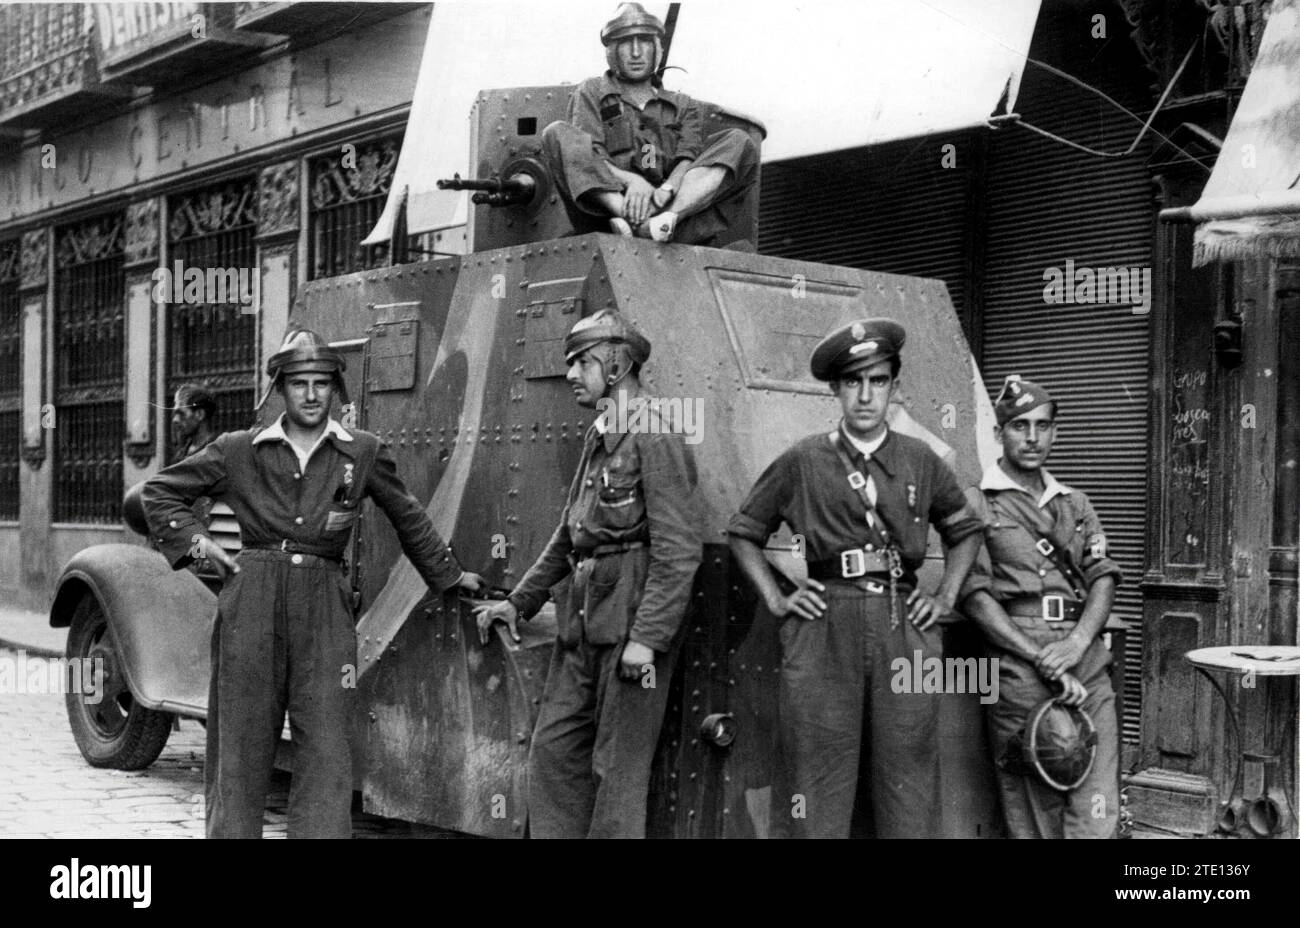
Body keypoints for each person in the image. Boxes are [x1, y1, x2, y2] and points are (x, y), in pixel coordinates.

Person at [142, 328, 485, 838]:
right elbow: (159, 492)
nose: (310, 394)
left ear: (335, 390)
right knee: (240, 744)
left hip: (325, 604)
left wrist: (450, 576)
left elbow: (408, 516)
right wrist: (199, 545)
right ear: (280, 388)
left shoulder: (363, 452)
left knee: (326, 746)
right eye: (299, 382)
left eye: (321, 383)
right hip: (251, 598)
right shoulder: (238, 449)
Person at [726, 318, 983, 838]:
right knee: (813, 771)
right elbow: (743, 532)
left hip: (902, 623)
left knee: (907, 770)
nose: (866, 395)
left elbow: (967, 532)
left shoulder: (920, 459)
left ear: (894, 386)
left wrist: (946, 596)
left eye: (879, 380)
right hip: (825, 622)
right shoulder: (803, 459)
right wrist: (777, 600)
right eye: (853, 382)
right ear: (836, 389)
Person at [474, 310, 701, 838]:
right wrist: (520, 601)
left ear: (617, 364)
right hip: (582, 628)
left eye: (581, 361)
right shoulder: (601, 434)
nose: (571, 373)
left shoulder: (654, 432)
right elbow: (570, 531)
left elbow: (679, 549)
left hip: (629, 629)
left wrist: (647, 639)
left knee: (616, 772)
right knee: (554, 757)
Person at [959, 376, 1121, 838]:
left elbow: (1103, 577)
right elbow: (975, 596)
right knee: (1033, 807)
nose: (1032, 438)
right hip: (1019, 666)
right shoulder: (975, 503)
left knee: (1097, 805)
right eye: (1019, 426)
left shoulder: (1076, 503)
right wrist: (1040, 658)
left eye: (1042, 426)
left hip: (1084, 659)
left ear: (1055, 433)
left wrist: (1075, 644)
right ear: (999, 433)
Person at [540, 3, 759, 244]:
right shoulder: (591, 92)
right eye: (625, 42)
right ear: (613, 51)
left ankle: (658, 222)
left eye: (644, 41)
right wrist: (632, 180)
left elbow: (688, 156)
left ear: (656, 49)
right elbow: (590, 156)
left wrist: (666, 192)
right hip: (607, 219)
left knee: (740, 142)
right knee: (557, 133)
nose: (636, 52)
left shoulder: (684, 105)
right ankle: (629, 215)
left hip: (671, 217)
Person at [171, 383, 219, 461]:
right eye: (175, 414)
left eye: (181, 414)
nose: (175, 420)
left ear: (200, 414)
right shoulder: (180, 455)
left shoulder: (218, 451)